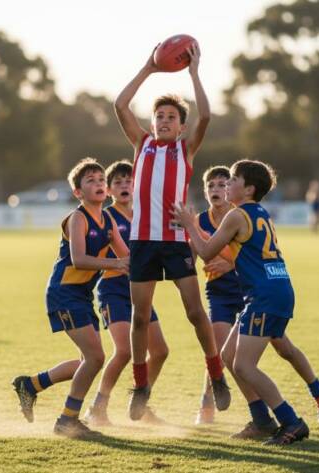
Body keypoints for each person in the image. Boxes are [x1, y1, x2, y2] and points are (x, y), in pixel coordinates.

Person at [114, 41, 230, 420]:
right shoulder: (141, 143)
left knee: (196, 313)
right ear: (152, 123)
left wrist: (194, 73)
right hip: (144, 242)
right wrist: (149, 68)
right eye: (158, 116)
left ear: (181, 126)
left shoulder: (186, 151)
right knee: (140, 318)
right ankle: (141, 385)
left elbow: (207, 116)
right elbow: (119, 105)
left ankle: (216, 376)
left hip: (177, 240)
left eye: (170, 118)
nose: (163, 121)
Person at [173, 159, 312, 446]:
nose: (227, 184)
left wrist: (189, 224)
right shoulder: (259, 212)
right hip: (272, 290)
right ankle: (261, 420)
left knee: (245, 366)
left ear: (248, 189)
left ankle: (291, 422)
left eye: (233, 179)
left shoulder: (236, 216)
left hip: (265, 295)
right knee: (228, 357)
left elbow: (207, 251)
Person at [12, 158, 130, 438]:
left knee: (86, 362)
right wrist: (116, 265)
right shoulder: (78, 217)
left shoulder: (109, 220)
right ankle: (67, 419)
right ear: (78, 192)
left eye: (101, 180)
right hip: (63, 294)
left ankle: (31, 385)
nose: (99, 184)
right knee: (95, 358)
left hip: (82, 296)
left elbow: (128, 256)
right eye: (91, 181)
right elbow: (78, 260)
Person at [85, 160, 170, 426]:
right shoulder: (107, 216)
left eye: (128, 181)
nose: (124, 186)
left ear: (137, 186)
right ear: (109, 190)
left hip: (140, 290)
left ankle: (141, 401)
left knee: (159, 351)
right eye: (118, 182)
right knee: (123, 351)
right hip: (113, 289)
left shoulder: (145, 215)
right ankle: (97, 407)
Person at [194, 166, 244, 424]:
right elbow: (190, 256)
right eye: (211, 185)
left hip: (247, 290)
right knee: (218, 351)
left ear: (231, 189)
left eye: (222, 185)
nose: (216, 190)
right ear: (205, 192)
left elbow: (253, 254)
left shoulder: (239, 216)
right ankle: (207, 403)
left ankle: (318, 393)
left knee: (282, 347)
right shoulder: (199, 221)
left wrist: (231, 264)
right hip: (218, 291)